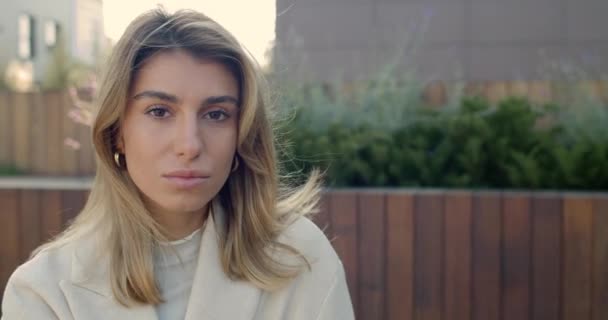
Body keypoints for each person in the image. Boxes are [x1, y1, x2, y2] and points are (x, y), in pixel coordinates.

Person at [1, 8, 354, 320]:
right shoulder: (44, 292)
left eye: (216, 114)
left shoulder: (300, 257)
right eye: (159, 111)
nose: (189, 145)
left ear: (241, 135)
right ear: (117, 132)